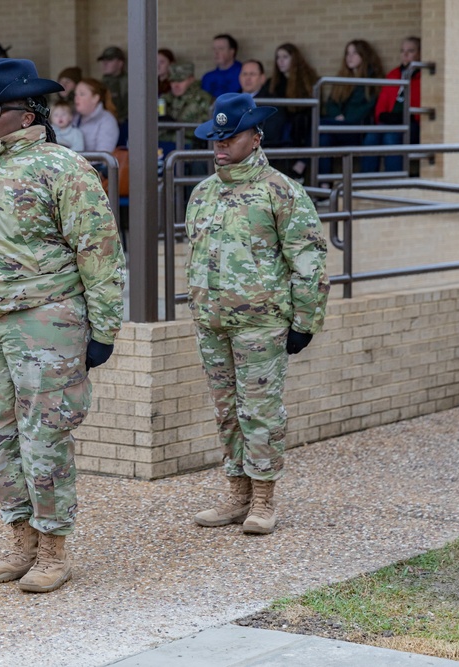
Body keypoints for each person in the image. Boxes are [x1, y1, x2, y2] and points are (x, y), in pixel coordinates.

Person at [0, 58, 126, 593]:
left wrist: (103, 331)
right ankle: (20, 541)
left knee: (44, 436)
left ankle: (53, 549)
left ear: (26, 113)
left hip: (46, 322)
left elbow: (100, 252)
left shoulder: (64, 168)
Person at [186, 93, 329, 535]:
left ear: (256, 136)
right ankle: (237, 494)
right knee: (227, 411)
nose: (221, 145)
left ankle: (264, 498)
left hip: (262, 324)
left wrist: (305, 322)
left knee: (260, 411)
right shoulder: (203, 192)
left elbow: (309, 260)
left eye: (231, 136)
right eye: (217, 137)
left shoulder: (280, 191)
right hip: (213, 324)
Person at [319, 39, 384, 175]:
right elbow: (332, 103)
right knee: (322, 136)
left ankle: (300, 165)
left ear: (364, 55)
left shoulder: (373, 79)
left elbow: (370, 106)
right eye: (347, 53)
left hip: (358, 129)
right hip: (339, 126)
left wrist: (346, 118)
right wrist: (338, 116)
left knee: (318, 125)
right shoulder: (342, 77)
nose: (350, 57)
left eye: (354, 53)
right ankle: (323, 185)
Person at [362, 36, 422, 173]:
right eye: (402, 51)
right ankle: (366, 184)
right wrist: (384, 117)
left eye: (410, 51)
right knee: (371, 137)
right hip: (391, 122)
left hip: (412, 125)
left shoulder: (424, 76)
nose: (405, 54)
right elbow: (381, 106)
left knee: (391, 137)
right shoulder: (393, 74)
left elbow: (419, 112)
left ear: (419, 54)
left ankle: (394, 184)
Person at [268, 43, 319, 179]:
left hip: (301, 122)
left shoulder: (306, 79)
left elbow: (308, 107)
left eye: (285, 57)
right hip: (281, 124)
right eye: (278, 57)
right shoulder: (274, 82)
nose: (281, 61)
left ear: (294, 59)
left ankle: (299, 165)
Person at [159, 62, 213, 148]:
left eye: (180, 80)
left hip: (191, 151)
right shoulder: (164, 99)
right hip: (163, 149)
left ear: (191, 79)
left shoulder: (203, 99)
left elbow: (208, 130)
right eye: (173, 81)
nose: (176, 85)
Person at [73, 78, 118, 153]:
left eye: (82, 94)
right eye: (75, 94)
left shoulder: (107, 120)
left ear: (95, 98)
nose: (76, 98)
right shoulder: (75, 117)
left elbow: (103, 156)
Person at [201, 34, 242, 98]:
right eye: (214, 49)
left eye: (221, 49)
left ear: (232, 51)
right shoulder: (207, 77)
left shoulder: (243, 73)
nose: (216, 52)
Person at [96, 46, 128, 124]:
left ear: (120, 63)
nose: (104, 63)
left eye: (109, 60)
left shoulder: (128, 83)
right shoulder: (100, 83)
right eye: (103, 60)